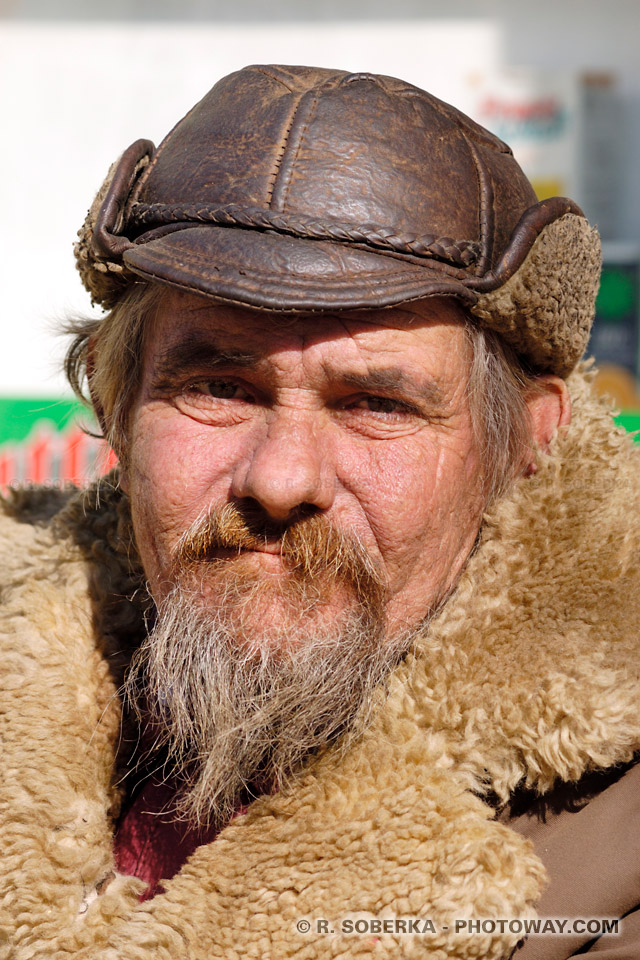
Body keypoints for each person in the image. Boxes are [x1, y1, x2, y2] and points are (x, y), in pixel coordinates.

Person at [1, 64, 638, 960]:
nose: (281, 479)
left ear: (523, 446)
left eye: (377, 405)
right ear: (112, 403)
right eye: (219, 386)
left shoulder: (615, 843)